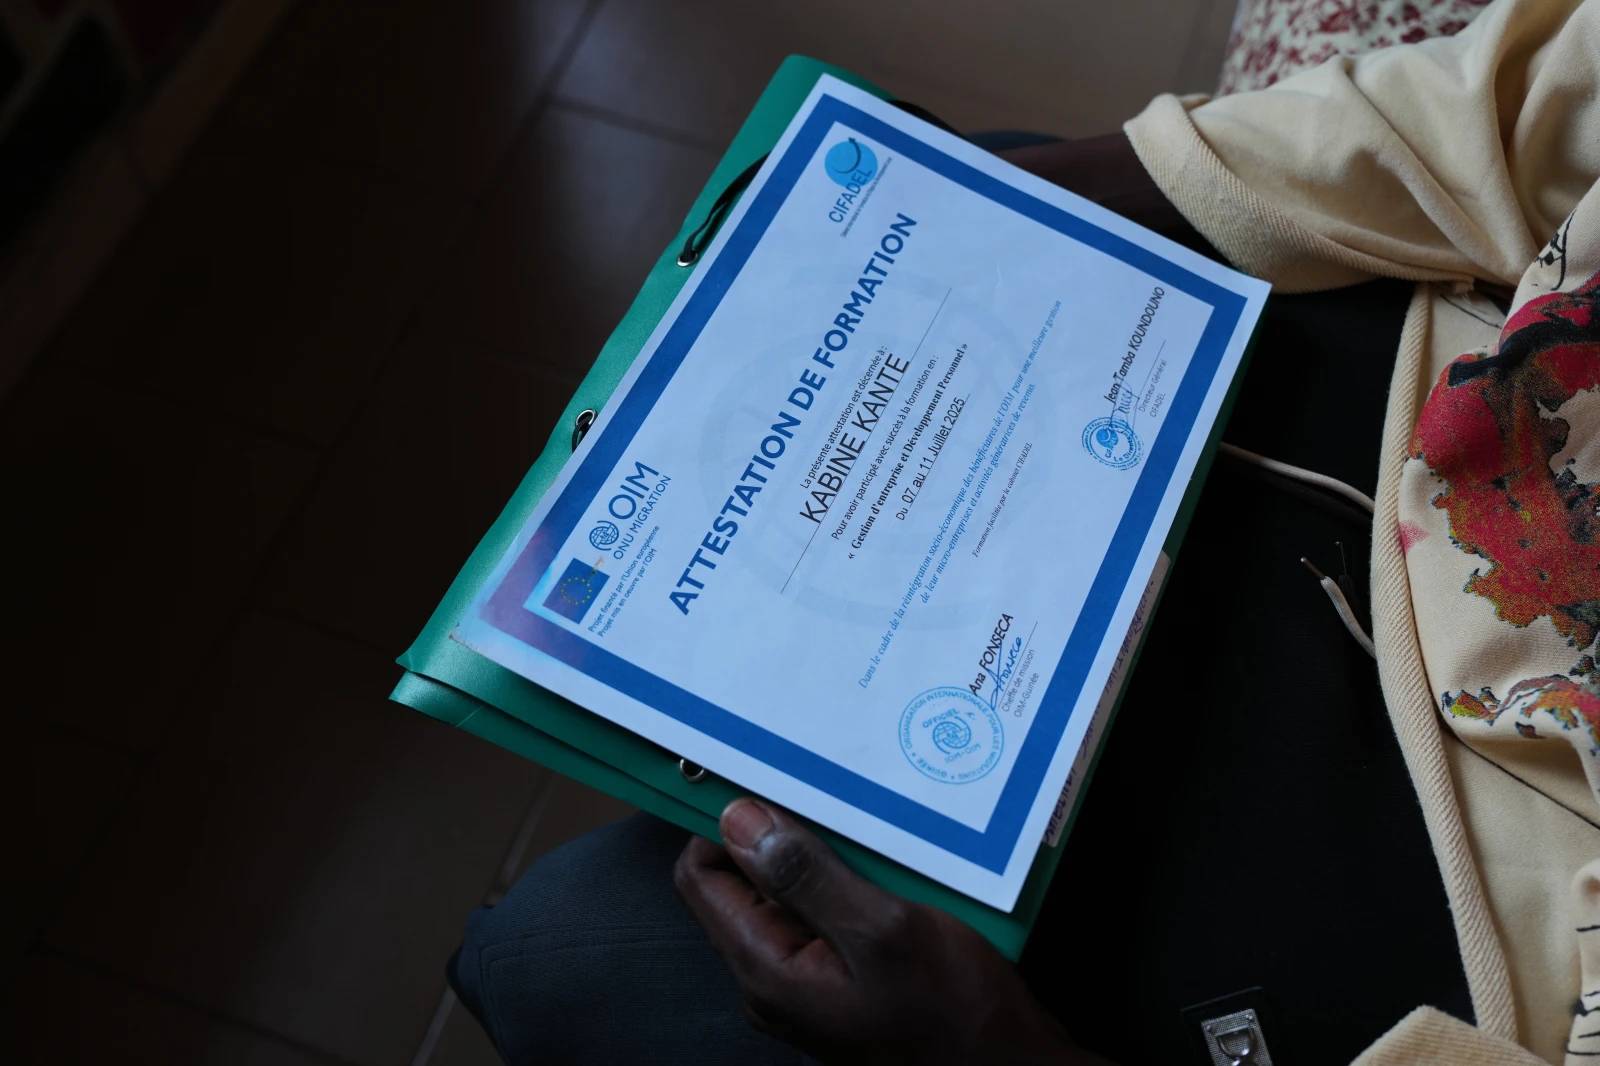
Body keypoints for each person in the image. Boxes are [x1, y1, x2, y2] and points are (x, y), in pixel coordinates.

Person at [451, 1, 1599, 1061]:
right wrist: (1056, 195)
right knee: (983, 164)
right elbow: (1537, 101)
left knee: (562, 945)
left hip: (1466, 935)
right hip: (1434, 383)